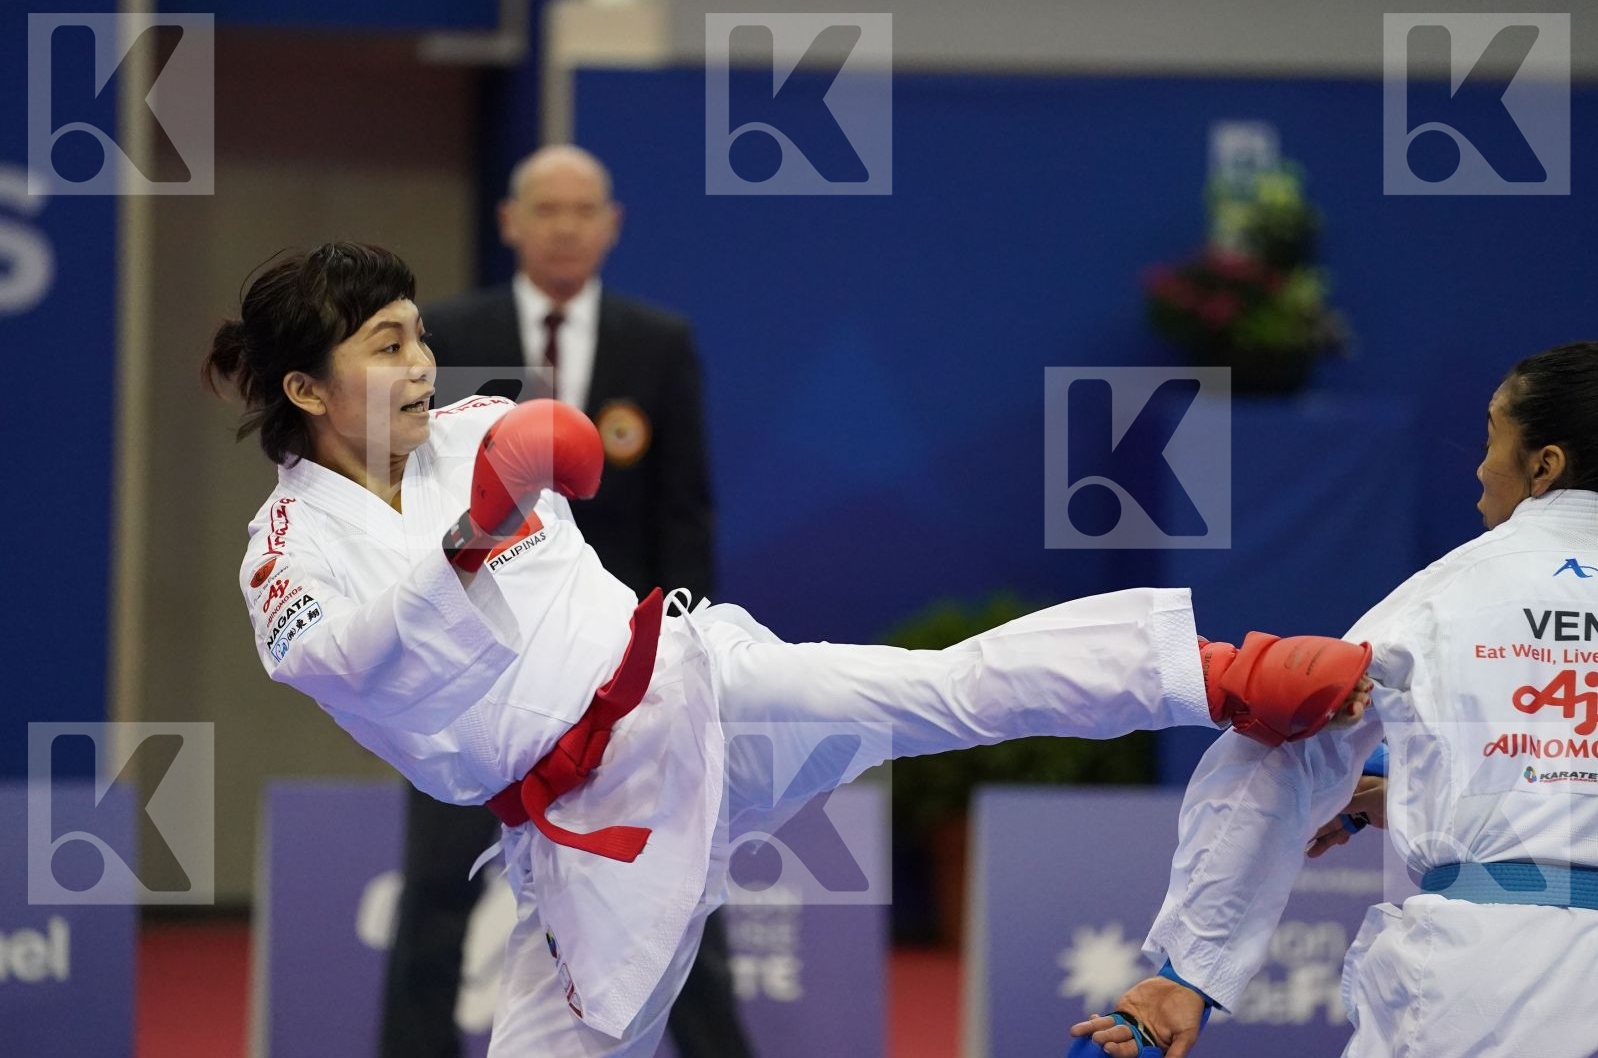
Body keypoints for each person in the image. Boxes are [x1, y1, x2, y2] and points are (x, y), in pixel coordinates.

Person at [207, 242, 1373, 1057]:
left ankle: (1224, 674)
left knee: (937, 688)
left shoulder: (474, 430)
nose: (419, 367)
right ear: (306, 387)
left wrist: (502, 484)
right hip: (582, 826)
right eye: (384, 347)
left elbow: (531, 462)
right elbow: (353, 656)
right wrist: (469, 540)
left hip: (694, 684)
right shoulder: (284, 555)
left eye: (417, 338)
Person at [1071, 341, 1598, 1058]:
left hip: (1493, 991)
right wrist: (1390, 789)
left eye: (1491, 438)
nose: (1478, 466)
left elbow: (1287, 757)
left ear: (1545, 465)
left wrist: (1188, 970)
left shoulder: (1457, 590)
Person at [380, 145, 743, 1058]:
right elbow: (416, 499)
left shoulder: (657, 344)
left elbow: (684, 514)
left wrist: (679, 655)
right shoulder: (450, 338)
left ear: (612, 226)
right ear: (511, 221)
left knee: (673, 886)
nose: (567, 227)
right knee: (434, 891)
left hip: (625, 683)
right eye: (548, 209)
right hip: (477, 681)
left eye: (585, 211)